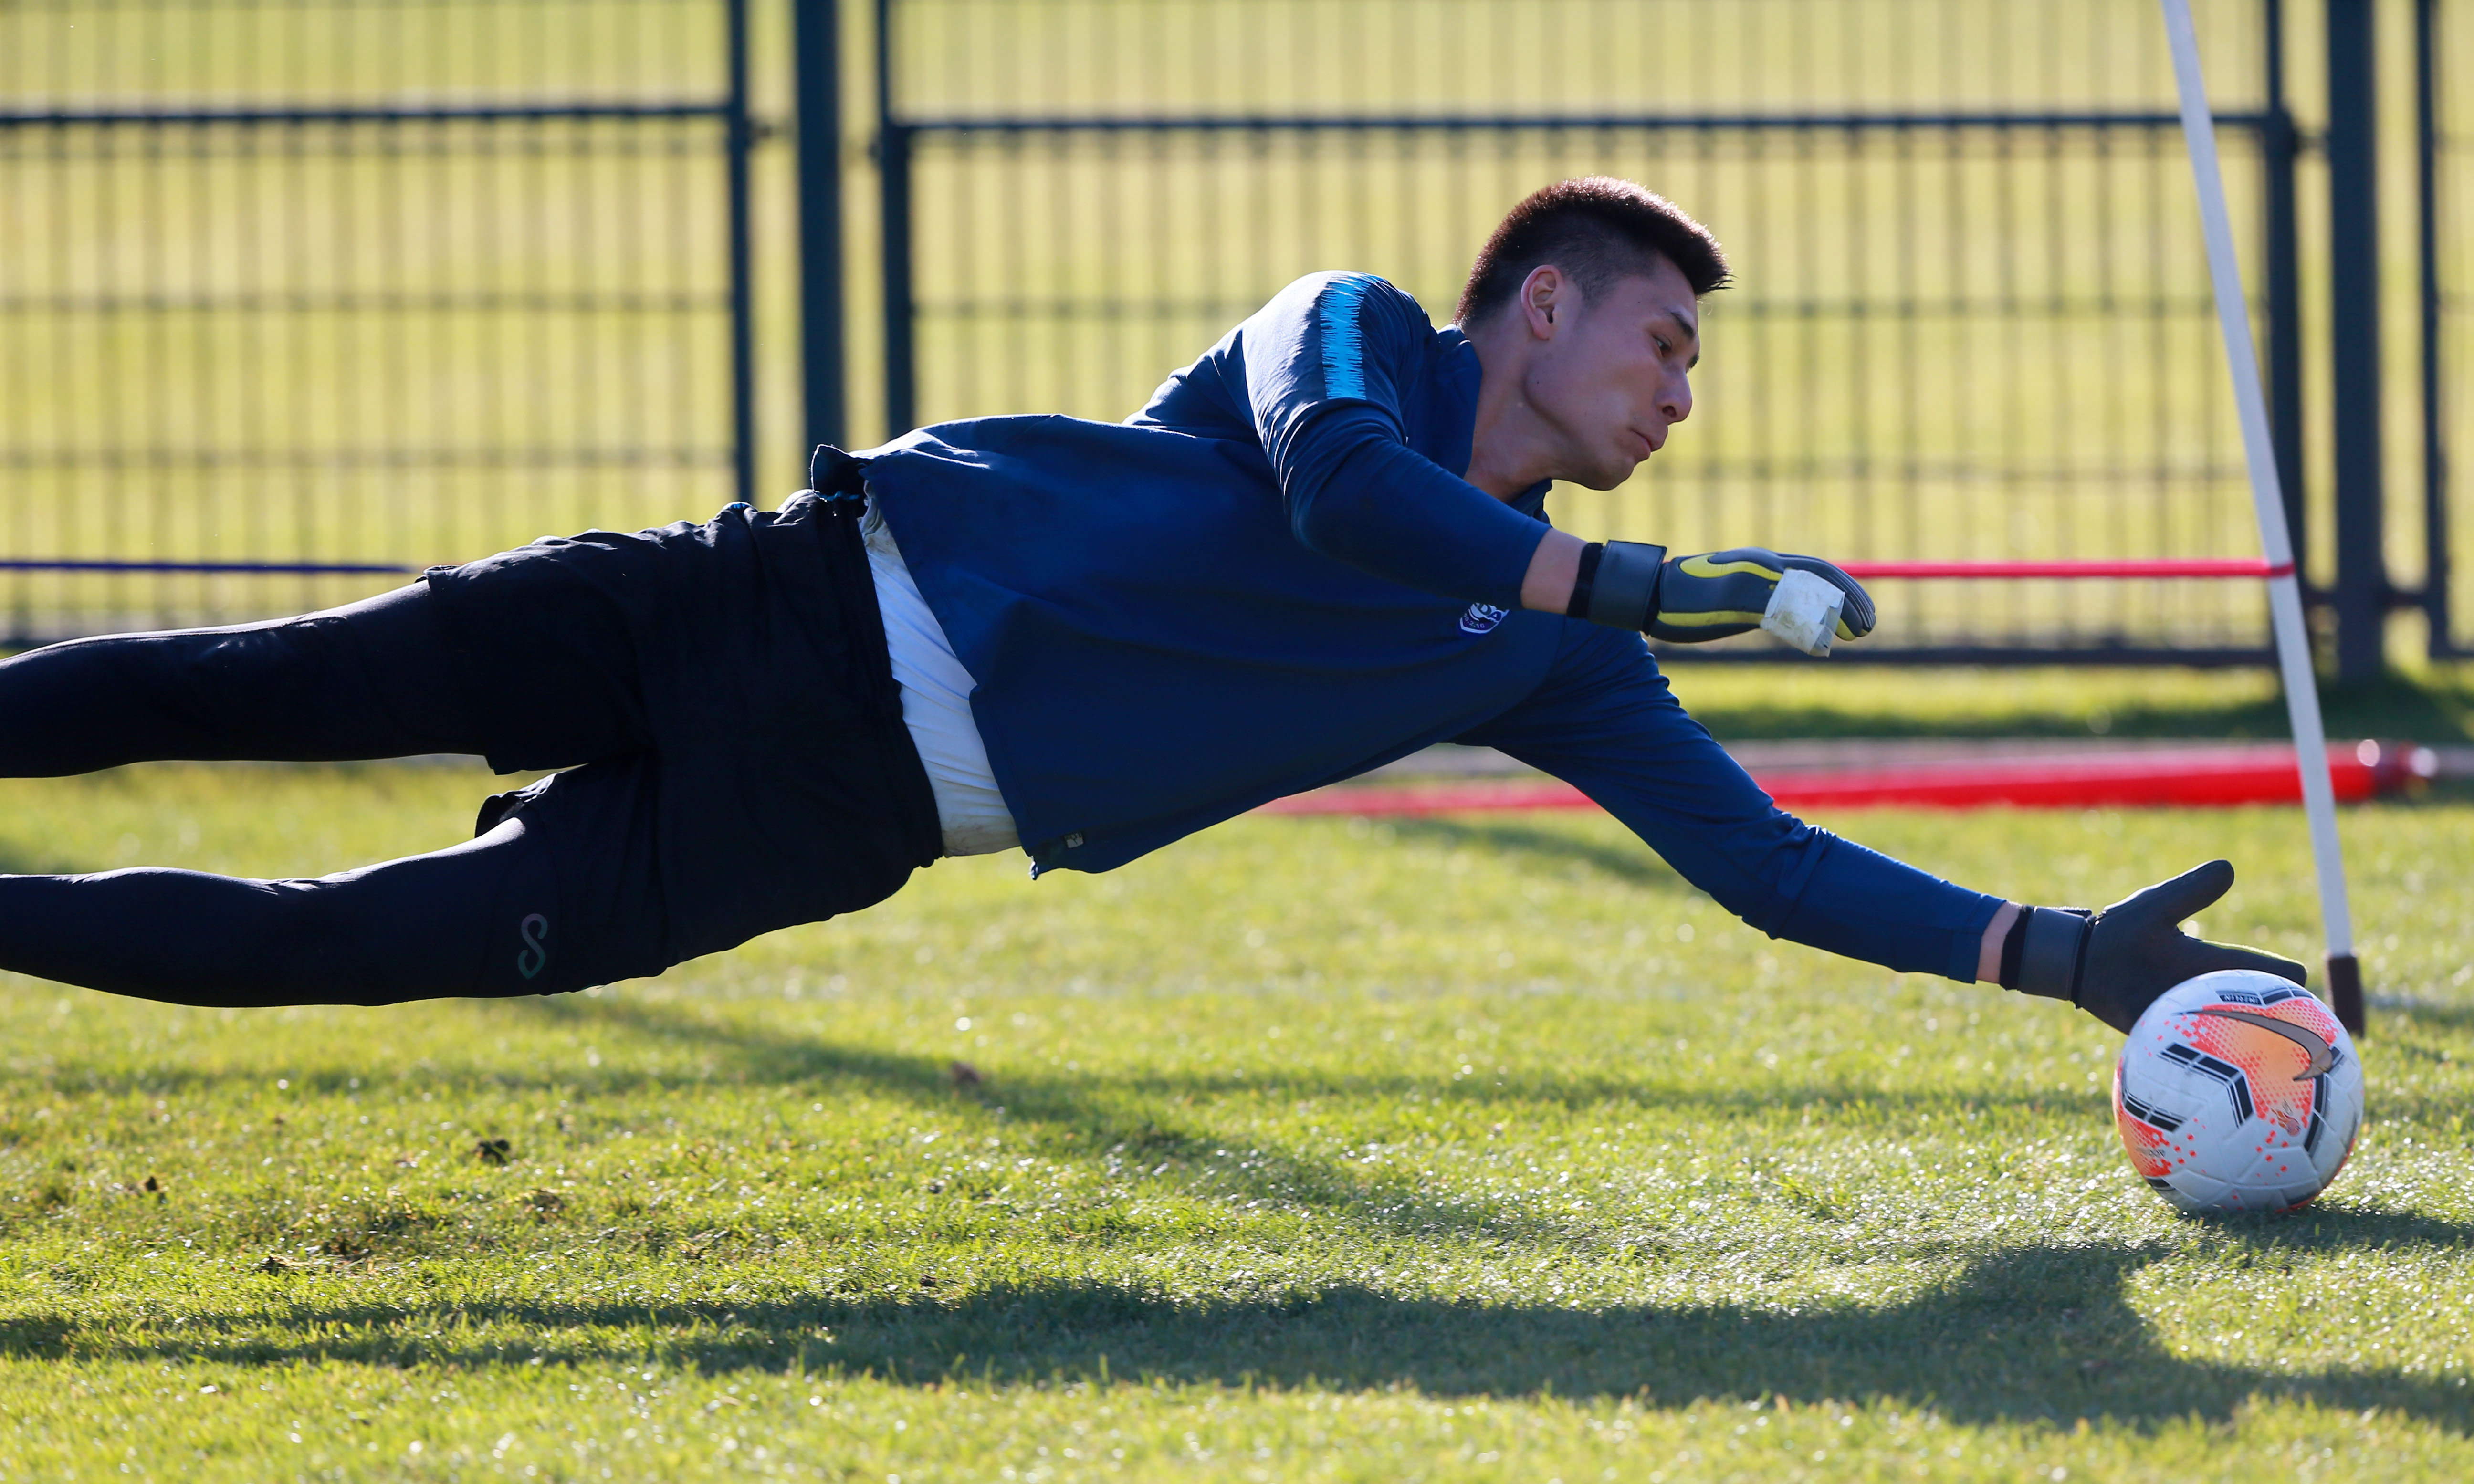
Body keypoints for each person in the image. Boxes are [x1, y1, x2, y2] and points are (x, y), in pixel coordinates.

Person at [0, 176, 2300, 1030]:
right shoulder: (1349, 333)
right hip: (768, 604)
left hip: (847, 817)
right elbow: (1351, 499)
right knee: (244, 686)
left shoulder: (1562, 652)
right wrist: (1634, 578)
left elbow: (1762, 863)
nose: (1682, 395)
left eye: (1695, 370)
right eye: (1665, 344)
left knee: (334, 946)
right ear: (1541, 309)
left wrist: (2056, 958)